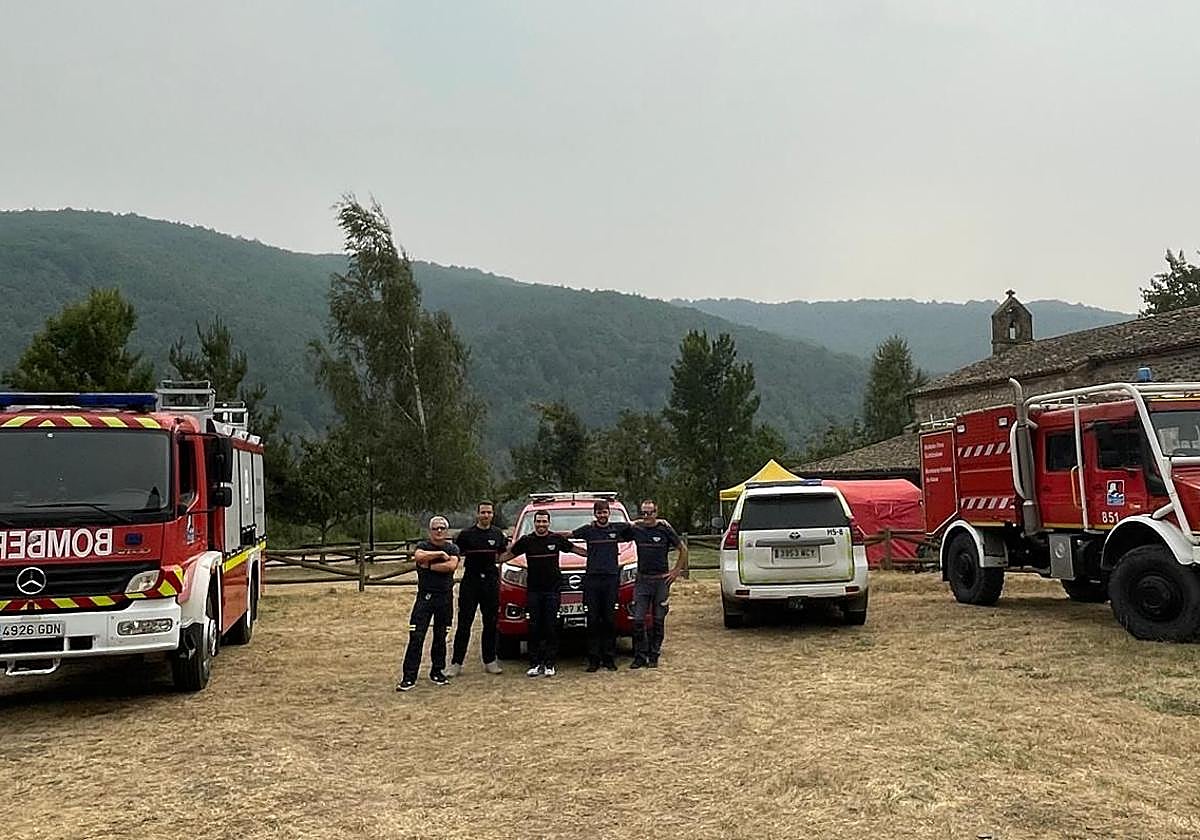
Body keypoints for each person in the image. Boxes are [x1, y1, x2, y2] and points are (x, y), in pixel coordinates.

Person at [499, 510, 586, 678]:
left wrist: (599, 553)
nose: (541, 525)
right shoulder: (526, 541)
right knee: (534, 627)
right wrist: (489, 560)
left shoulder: (556, 539)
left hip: (552, 591)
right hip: (534, 591)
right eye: (538, 522)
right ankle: (535, 663)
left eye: (544, 522)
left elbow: (576, 549)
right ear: (534, 523)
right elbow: (508, 555)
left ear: (548, 523)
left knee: (551, 627)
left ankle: (549, 663)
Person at [570, 499, 635, 672]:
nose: (602, 515)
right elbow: (569, 536)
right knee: (592, 620)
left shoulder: (617, 529)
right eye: (599, 512)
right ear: (595, 514)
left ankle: (609, 658)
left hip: (611, 580)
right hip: (592, 580)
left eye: (605, 512)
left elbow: (634, 526)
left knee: (609, 619)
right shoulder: (588, 530)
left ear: (609, 513)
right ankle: (593, 659)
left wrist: (659, 521)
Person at [397, 516, 461, 691]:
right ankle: (409, 677)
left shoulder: (452, 548)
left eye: (442, 528)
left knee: (441, 637)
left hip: (445, 598)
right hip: (425, 598)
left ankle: (437, 672)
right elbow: (418, 557)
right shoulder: (423, 546)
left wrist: (429, 566)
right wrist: (439, 555)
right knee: (416, 636)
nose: (439, 531)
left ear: (446, 531)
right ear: (430, 531)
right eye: (435, 528)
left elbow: (451, 566)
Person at [448, 500, 507, 677]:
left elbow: (504, 554)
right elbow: (455, 554)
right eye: (483, 512)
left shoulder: (498, 534)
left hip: (490, 582)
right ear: (477, 514)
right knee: (464, 623)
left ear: (493, 514)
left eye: (489, 512)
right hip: (471, 582)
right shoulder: (465, 535)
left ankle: (490, 660)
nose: (486, 515)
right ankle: (456, 663)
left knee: (490, 623)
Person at [629, 498, 688, 670]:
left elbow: (683, 549)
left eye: (650, 513)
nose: (647, 516)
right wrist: (635, 521)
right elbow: (620, 528)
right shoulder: (637, 529)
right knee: (638, 619)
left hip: (661, 581)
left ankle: (654, 655)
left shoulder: (664, 529)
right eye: (644, 513)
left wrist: (676, 571)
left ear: (656, 512)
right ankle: (640, 656)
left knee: (658, 620)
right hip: (642, 581)